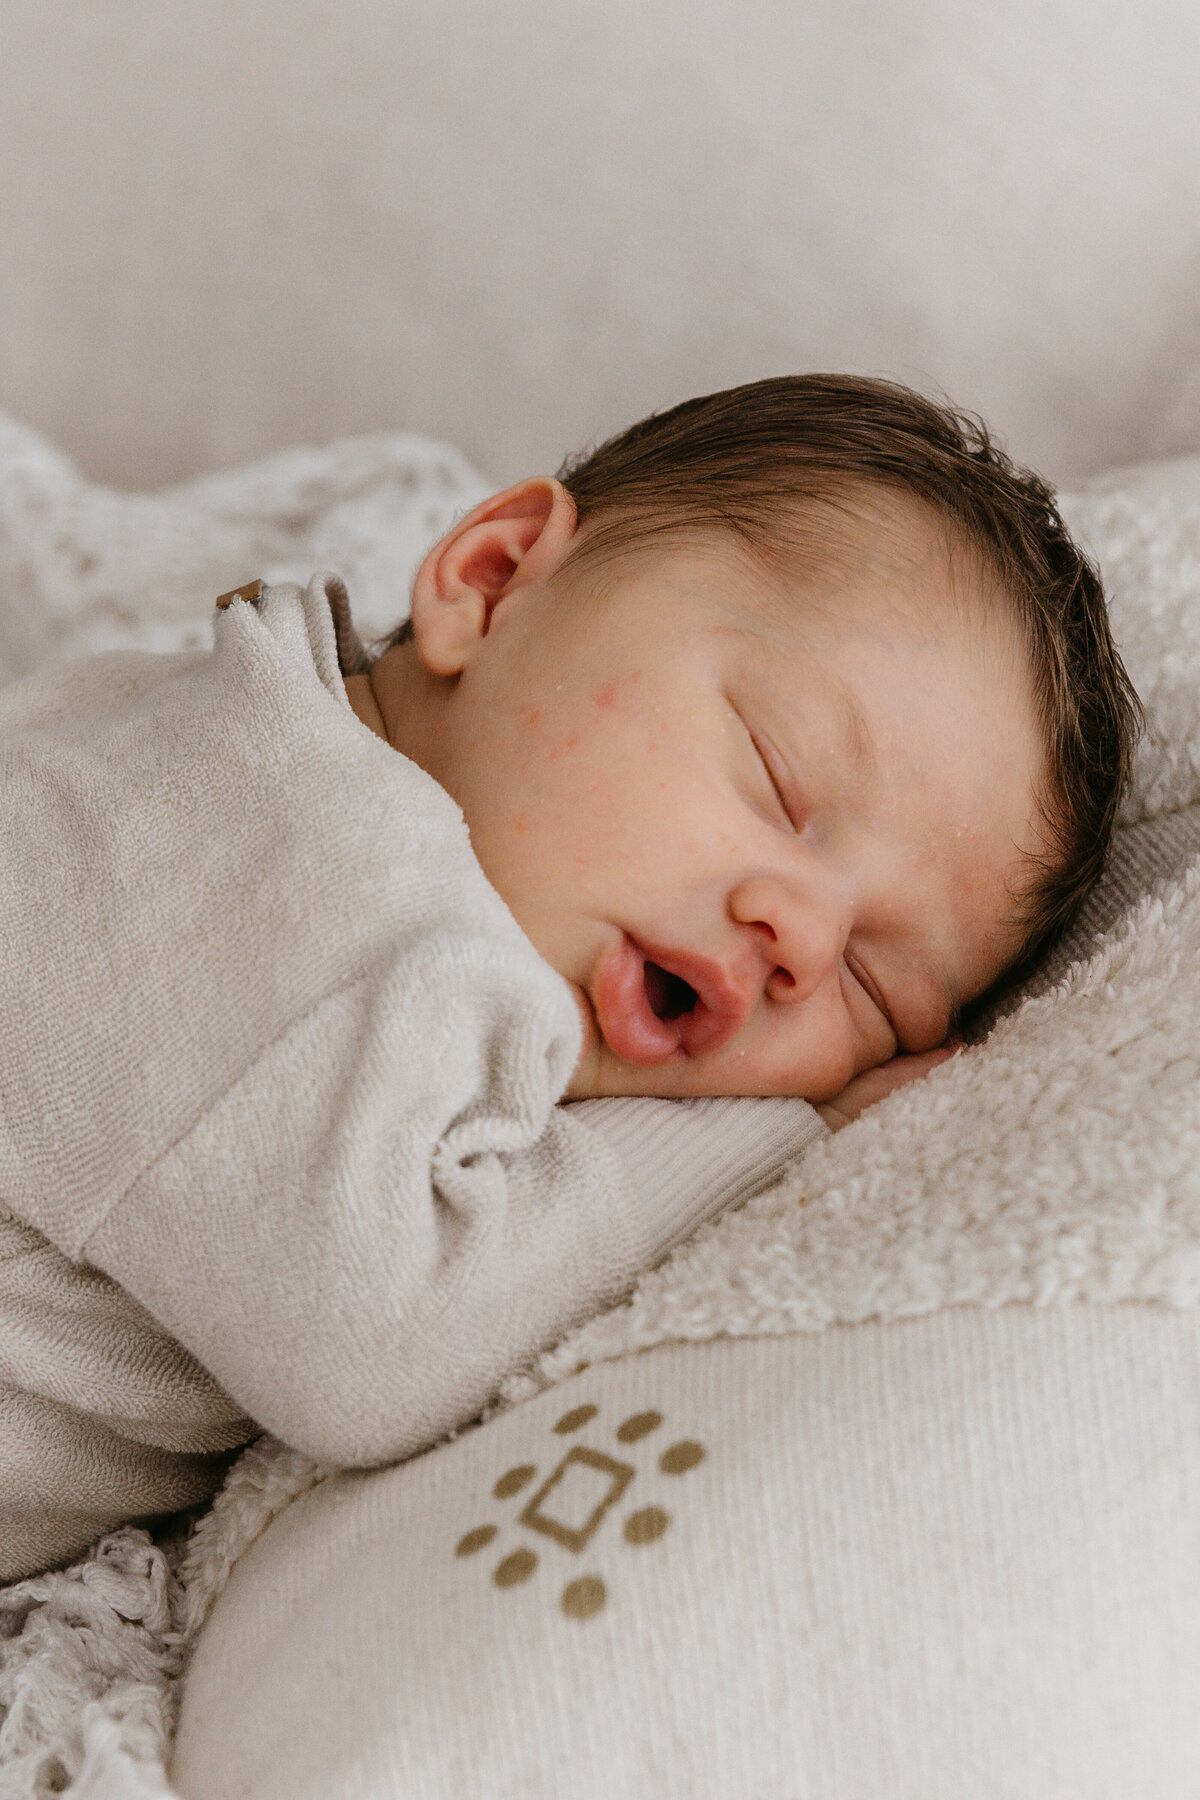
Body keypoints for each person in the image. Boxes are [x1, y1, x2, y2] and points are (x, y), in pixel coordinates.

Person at [0, 375, 1140, 1579]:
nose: (800, 938)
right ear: (492, 582)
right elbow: (380, 1338)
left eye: (870, 986)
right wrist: (773, 1133)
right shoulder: (295, 876)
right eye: (777, 775)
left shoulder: (225, 726)